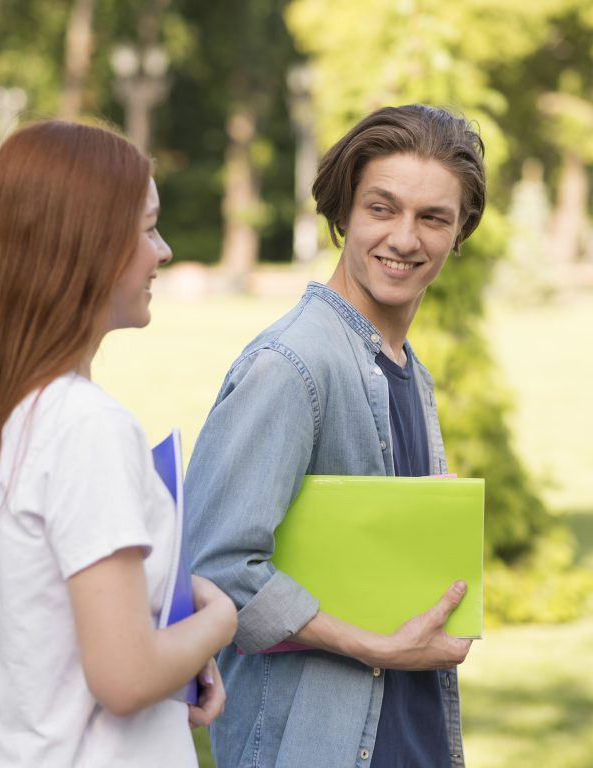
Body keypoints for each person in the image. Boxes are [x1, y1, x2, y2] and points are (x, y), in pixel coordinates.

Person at [0, 119, 237, 767]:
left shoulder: (2, 414)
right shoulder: (87, 428)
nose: (165, 250)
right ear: (86, 246)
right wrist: (222, 621)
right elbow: (123, 678)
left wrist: (177, 614)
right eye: (148, 228)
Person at [185, 104, 486, 767]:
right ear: (344, 211)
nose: (405, 239)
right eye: (383, 209)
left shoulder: (410, 373)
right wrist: (376, 647)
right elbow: (216, 569)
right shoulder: (291, 367)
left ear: (459, 231)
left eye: (433, 217)